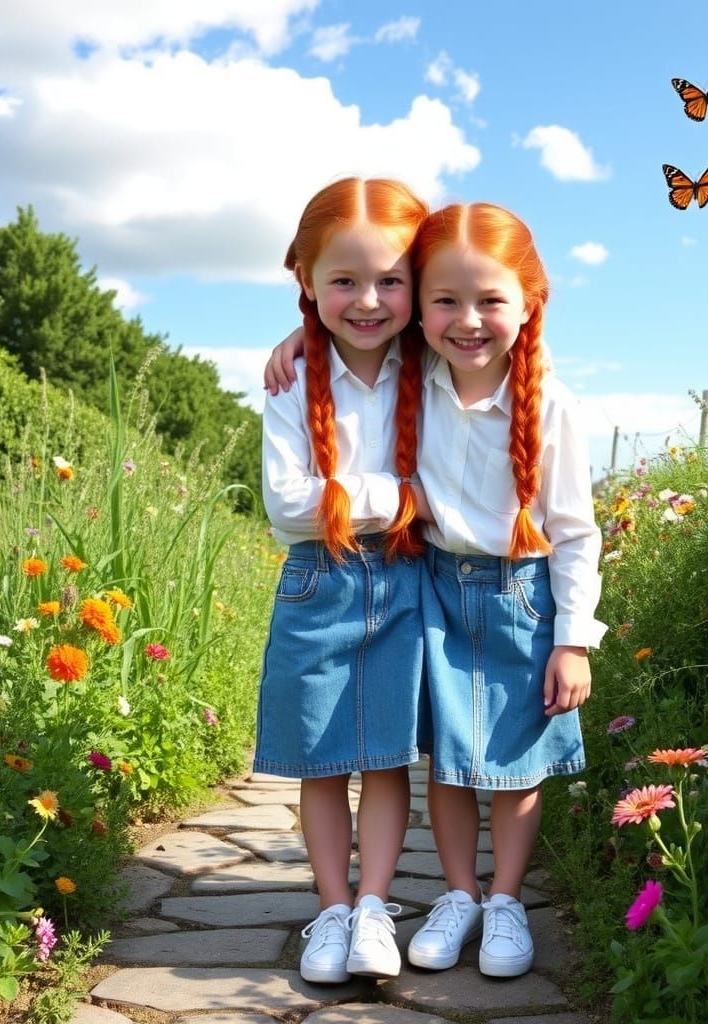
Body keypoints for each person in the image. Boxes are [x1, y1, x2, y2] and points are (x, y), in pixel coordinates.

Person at [263, 200, 605, 979]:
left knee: (512, 762)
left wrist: (574, 638)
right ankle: (456, 896)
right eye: (444, 300)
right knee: (450, 757)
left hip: (522, 594)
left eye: (491, 301)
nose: (468, 320)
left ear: (529, 302)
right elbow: (357, 331)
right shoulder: (415, 366)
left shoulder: (549, 402)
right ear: (422, 306)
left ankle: (506, 899)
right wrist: (302, 332)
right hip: (437, 584)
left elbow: (578, 531)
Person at [255, 177, 429, 985]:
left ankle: (374, 907)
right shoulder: (294, 380)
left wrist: (352, 501)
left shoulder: (433, 366)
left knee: (387, 756)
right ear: (306, 282)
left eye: (391, 279)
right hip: (317, 583)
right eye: (344, 281)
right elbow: (290, 509)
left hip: (405, 581)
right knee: (322, 761)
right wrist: (403, 497)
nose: (367, 300)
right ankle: (331, 906)